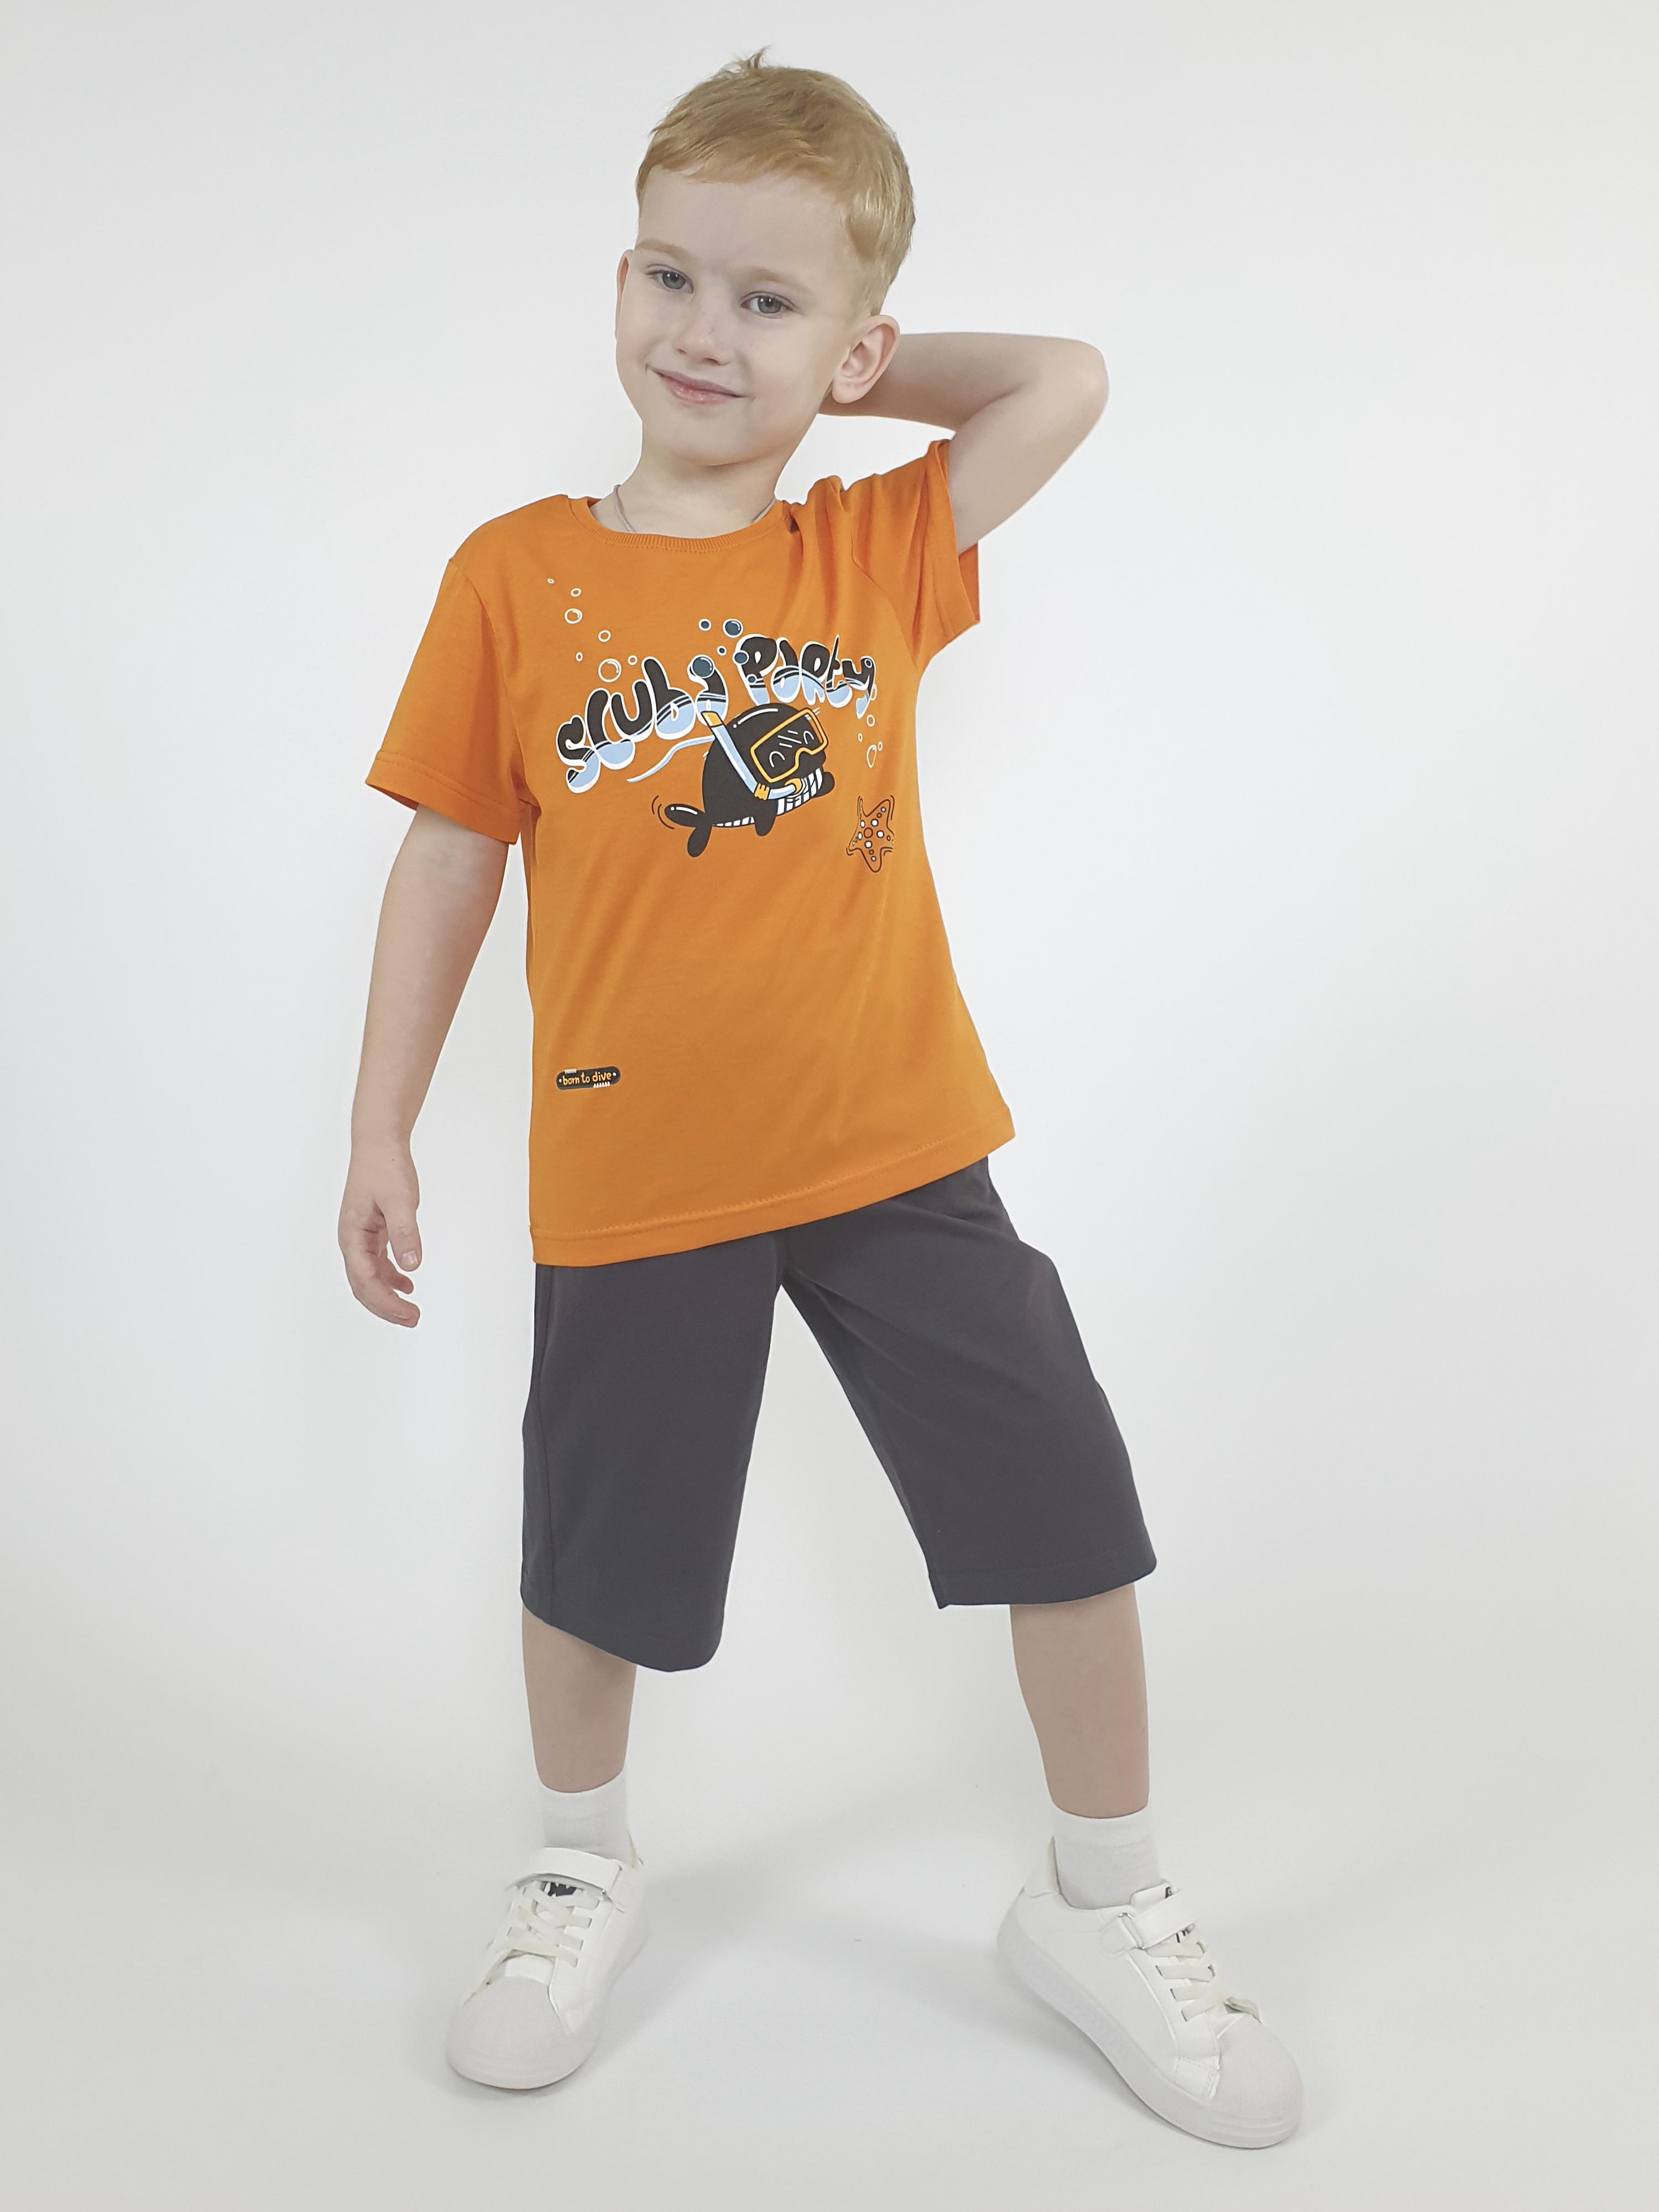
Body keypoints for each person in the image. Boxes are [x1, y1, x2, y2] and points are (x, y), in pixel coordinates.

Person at [338, 48, 1302, 2148]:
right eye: (671, 278)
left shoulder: (873, 547)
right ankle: (577, 1866)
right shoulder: (515, 573)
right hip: (635, 1159)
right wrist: (379, 1123)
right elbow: (449, 853)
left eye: (765, 302)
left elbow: (1060, 380)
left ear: (854, 352)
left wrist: (839, 372)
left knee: (1064, 1503)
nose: (704, 332)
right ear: (618, 278)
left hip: (895, 1150)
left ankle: (1104, 1902)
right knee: (594, 1553)